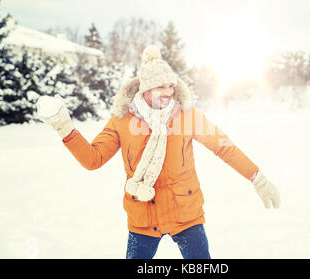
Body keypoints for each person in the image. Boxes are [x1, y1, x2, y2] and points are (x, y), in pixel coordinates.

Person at [36, 45, 281, 259]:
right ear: (145, 89)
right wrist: (64, 128)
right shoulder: (122, 119)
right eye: (160, 86)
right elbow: (93, 159)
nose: (168, 91)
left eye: (171, 86)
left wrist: (257, 178)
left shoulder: (187, 116)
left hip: (186, 214)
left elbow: (224, 147)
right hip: (143, 216)